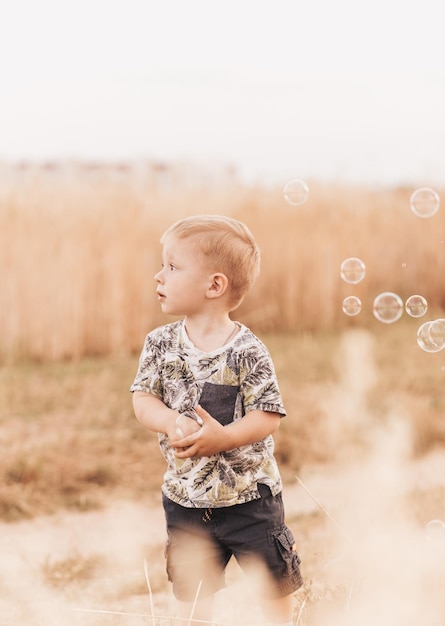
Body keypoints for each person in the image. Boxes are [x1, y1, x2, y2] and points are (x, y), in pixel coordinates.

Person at [130, 214, 303, 625]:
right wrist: (171, 420)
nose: (159, 275)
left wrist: (222, 438)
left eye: (172, 267)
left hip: (249, 500)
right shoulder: (159, 344)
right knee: (192, 597)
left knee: (274, 586)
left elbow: (267, 415)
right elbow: (143, 399)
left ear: (214, 285)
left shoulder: (248, 350)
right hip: (186, 499)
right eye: (162, 265)